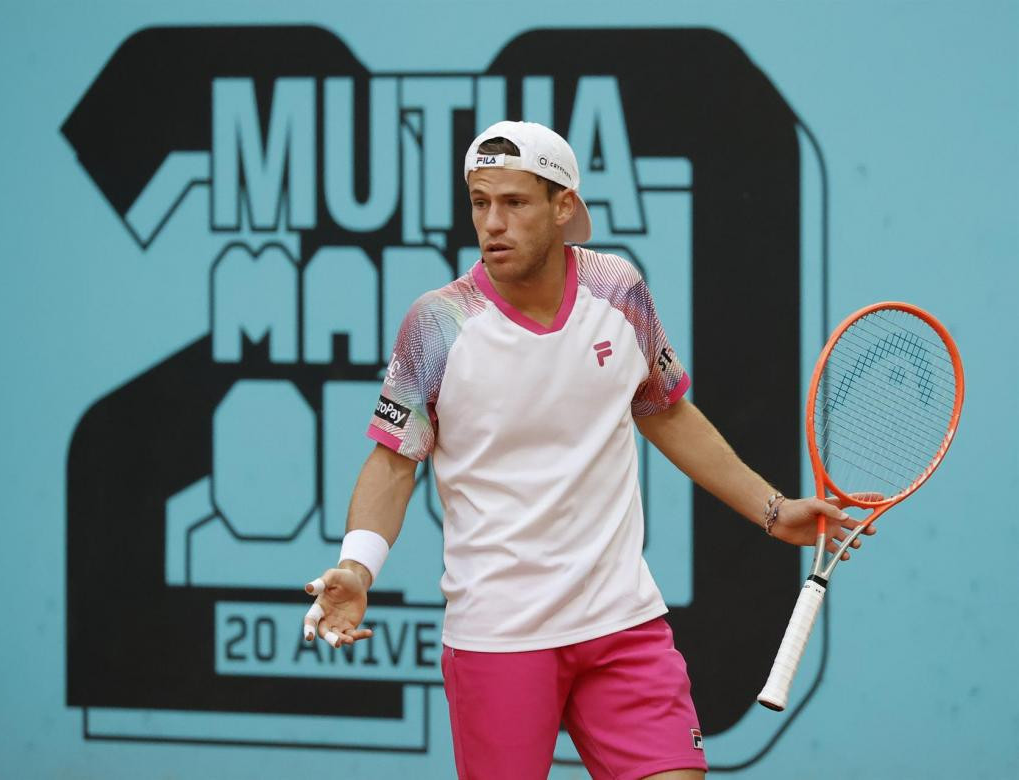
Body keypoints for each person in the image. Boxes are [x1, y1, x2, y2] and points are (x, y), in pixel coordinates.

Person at [301, 121, 874, 780]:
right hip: (500, 638)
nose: (493, 223)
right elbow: (395, 461)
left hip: (621, 623)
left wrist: (773, 511)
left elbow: (665, 411)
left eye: (514, 202)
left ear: (562, 205)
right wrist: (358, 566)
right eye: (480, 202)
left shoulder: (618, 291)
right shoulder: (437, 322)